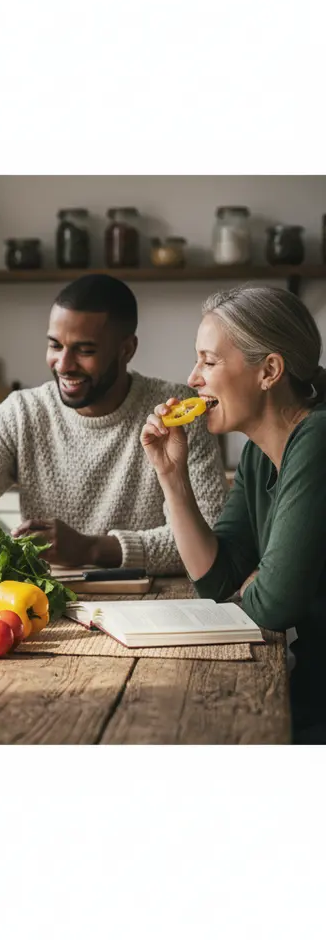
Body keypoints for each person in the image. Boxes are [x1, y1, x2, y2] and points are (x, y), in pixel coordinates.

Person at [0, 273, 229, 574]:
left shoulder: (176, 412)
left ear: (126, 350)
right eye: (55, 345)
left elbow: (209, 534)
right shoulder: (23, 413)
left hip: (161, 604)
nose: (63, 364)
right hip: (52, 609)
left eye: (85, 350)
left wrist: (94, 549)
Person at [141, 283, 326, 742]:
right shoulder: (258, 453)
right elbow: (217, 580)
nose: (193, 378)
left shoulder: (318, 438)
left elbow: (275, 604)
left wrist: (260, 584)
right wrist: (172, 477)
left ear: (269, 371)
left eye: (209, 360)